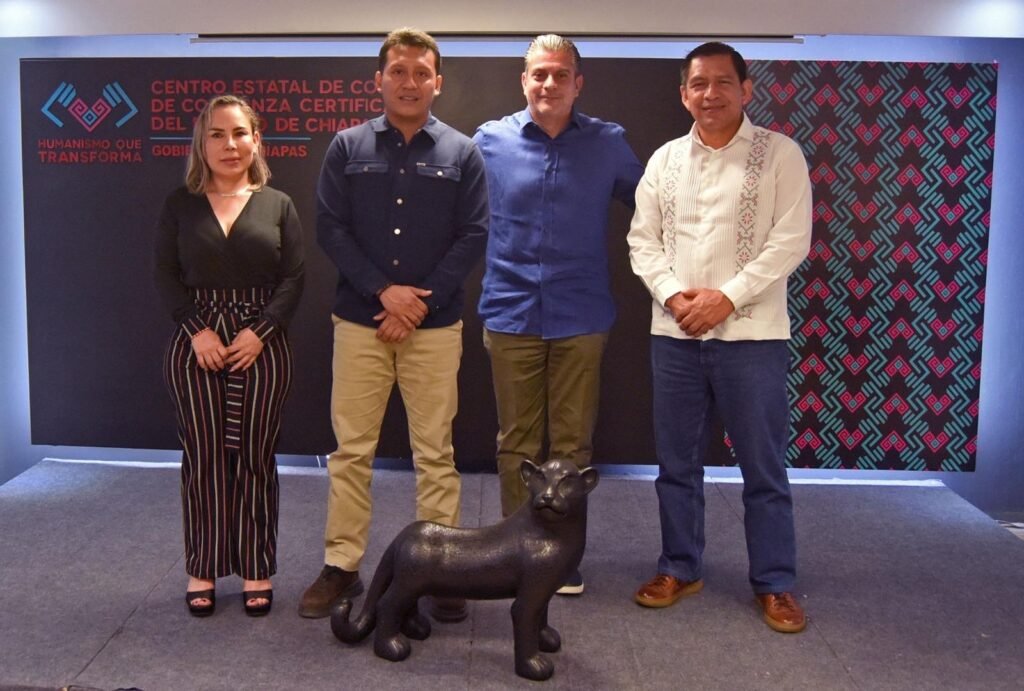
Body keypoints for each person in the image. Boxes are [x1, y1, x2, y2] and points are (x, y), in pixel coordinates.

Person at [301, 27, 488, 623]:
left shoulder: (462, 153)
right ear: (379, 80)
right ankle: (342, 566)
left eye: (421, 73)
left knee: (435, 452)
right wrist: (384, 292)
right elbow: (331, 228)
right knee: (351, 452)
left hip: (435, 327)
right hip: (361, 322)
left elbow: (473, 235)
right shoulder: (347, 147)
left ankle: (442, 566)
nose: (410, 82)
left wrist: (417, 305)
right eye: (399, 71)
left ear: (438, 82)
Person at [627, 42, 813, 633]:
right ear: (684, 94)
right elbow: (642, 241)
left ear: (746, 89)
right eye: (699, 84)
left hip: (753, 336)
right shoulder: (664, 160)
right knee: (676, 463)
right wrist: (674, 296)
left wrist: (726, 298)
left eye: (723, 82)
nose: (711, 94)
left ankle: (775, 583)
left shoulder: (780, 153)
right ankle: (679, 567)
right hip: (675, 332)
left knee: (763, 467)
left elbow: (790, 240)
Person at [473, 34, 642, 596]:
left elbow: (655, 208)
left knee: (572, 446)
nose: (549, 83)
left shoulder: (608, 143)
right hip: (510, 310)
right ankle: (516, 554)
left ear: (578, 83)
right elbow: (453, 213)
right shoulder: (489, 142)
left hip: (582, 314)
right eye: (539, 74)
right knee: (516, 443)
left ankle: (560, 559)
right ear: (524, 81)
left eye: (561, 74)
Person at [154, 94, 305, 618]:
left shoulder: (278, 204)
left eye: (239, 133)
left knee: (256, 457)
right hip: (196, 342)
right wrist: (197, 331)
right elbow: (165, 275)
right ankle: (202, 568)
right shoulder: (180, 204)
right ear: (202, 143)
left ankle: (257, 569)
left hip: (262, 344)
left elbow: (294, 278)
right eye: (217, 134)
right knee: (203, 458)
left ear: (256, 140)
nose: (229, 144)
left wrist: (260, 332)